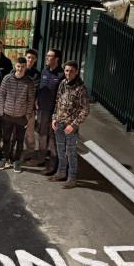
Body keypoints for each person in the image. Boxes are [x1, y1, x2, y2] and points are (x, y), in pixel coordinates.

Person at [50, 60, 89, 189]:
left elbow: (85, 110)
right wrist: (54, 118)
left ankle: (72, 177)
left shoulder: (80, 88)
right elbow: (57, 102)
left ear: (76, 72)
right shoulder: (63, 84)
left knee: (71, 152)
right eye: (66, 70)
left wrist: (73, 125)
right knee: (60, 150)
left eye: (71, 71)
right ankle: (61, 172)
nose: (68, 73)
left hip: (70, 126)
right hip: (59, 124)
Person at [24, 48, 64, 173]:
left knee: (52, 138)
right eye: (46, 55)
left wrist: (57, 114)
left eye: (50, 56)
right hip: (41, 110)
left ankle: (52, 165)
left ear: (56, 59)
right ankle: (41, 159)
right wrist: (36, 101)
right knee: (41, 135)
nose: (47, 58)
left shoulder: (61, 75)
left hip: (54, 112)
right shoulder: (44, 71)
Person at [0, 57, 36, 171]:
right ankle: (5, 159)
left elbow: (30, 100)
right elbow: (1, 94)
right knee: (6, 138)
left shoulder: (29, 82)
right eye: (18, 66)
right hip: (7, 115)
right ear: (15, 66)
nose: (20, 69)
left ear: (25, 67)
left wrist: (27, 116)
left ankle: (17, 161)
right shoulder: (7, 79)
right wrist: (1, 111)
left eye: (23, 67)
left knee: (19, 139)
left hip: (21, 117)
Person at [22, 49, 41, 159]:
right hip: (17, 108)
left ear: (35, 60)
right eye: (28, 57)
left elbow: (35, 91)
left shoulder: (37, 74)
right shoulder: (17, 70)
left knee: (29, 133)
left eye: (32, 58)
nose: (30, 60)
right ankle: (16, 152)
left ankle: (30, 152)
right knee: (16, 133)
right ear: (25, 57)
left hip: (30, 109)